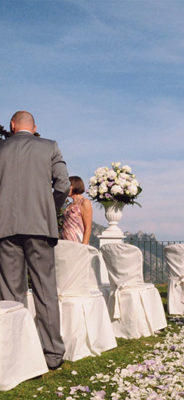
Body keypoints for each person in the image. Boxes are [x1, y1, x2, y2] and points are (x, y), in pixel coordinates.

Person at [0, 111, 70, 369]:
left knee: (11, 292)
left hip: (5, 227)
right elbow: (63, 185)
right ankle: (52, 354)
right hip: (40, 226)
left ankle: (18, 352)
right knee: (44, 289)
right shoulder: (50, 147)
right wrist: (49, 209)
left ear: (12, 126)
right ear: (35, 127)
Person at [62, 176, 93, 244]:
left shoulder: (84, 202)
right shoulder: (69, 205)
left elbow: (88, 227)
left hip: (78, 244)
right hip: (66, 243)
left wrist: (83, 247)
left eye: (67, 185)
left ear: (73, 186)